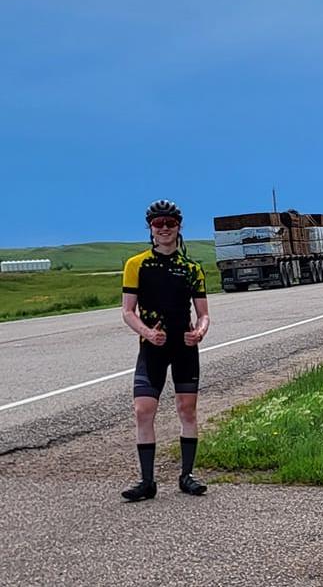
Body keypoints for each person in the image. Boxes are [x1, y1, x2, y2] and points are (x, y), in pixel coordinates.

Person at [120, 200, 210, 501]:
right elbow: (127, 311)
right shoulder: (137, 265)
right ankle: (147, 481)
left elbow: (204, 313)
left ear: (179, 226)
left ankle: (187, 475)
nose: (164, 228)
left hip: (183, 348)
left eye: (170, 223)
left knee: (187, 409)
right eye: (158, 223)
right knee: (143, 410)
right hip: (152, 349)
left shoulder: (192, 269)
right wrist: (146, 332)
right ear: (150, 228)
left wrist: (199, 332)